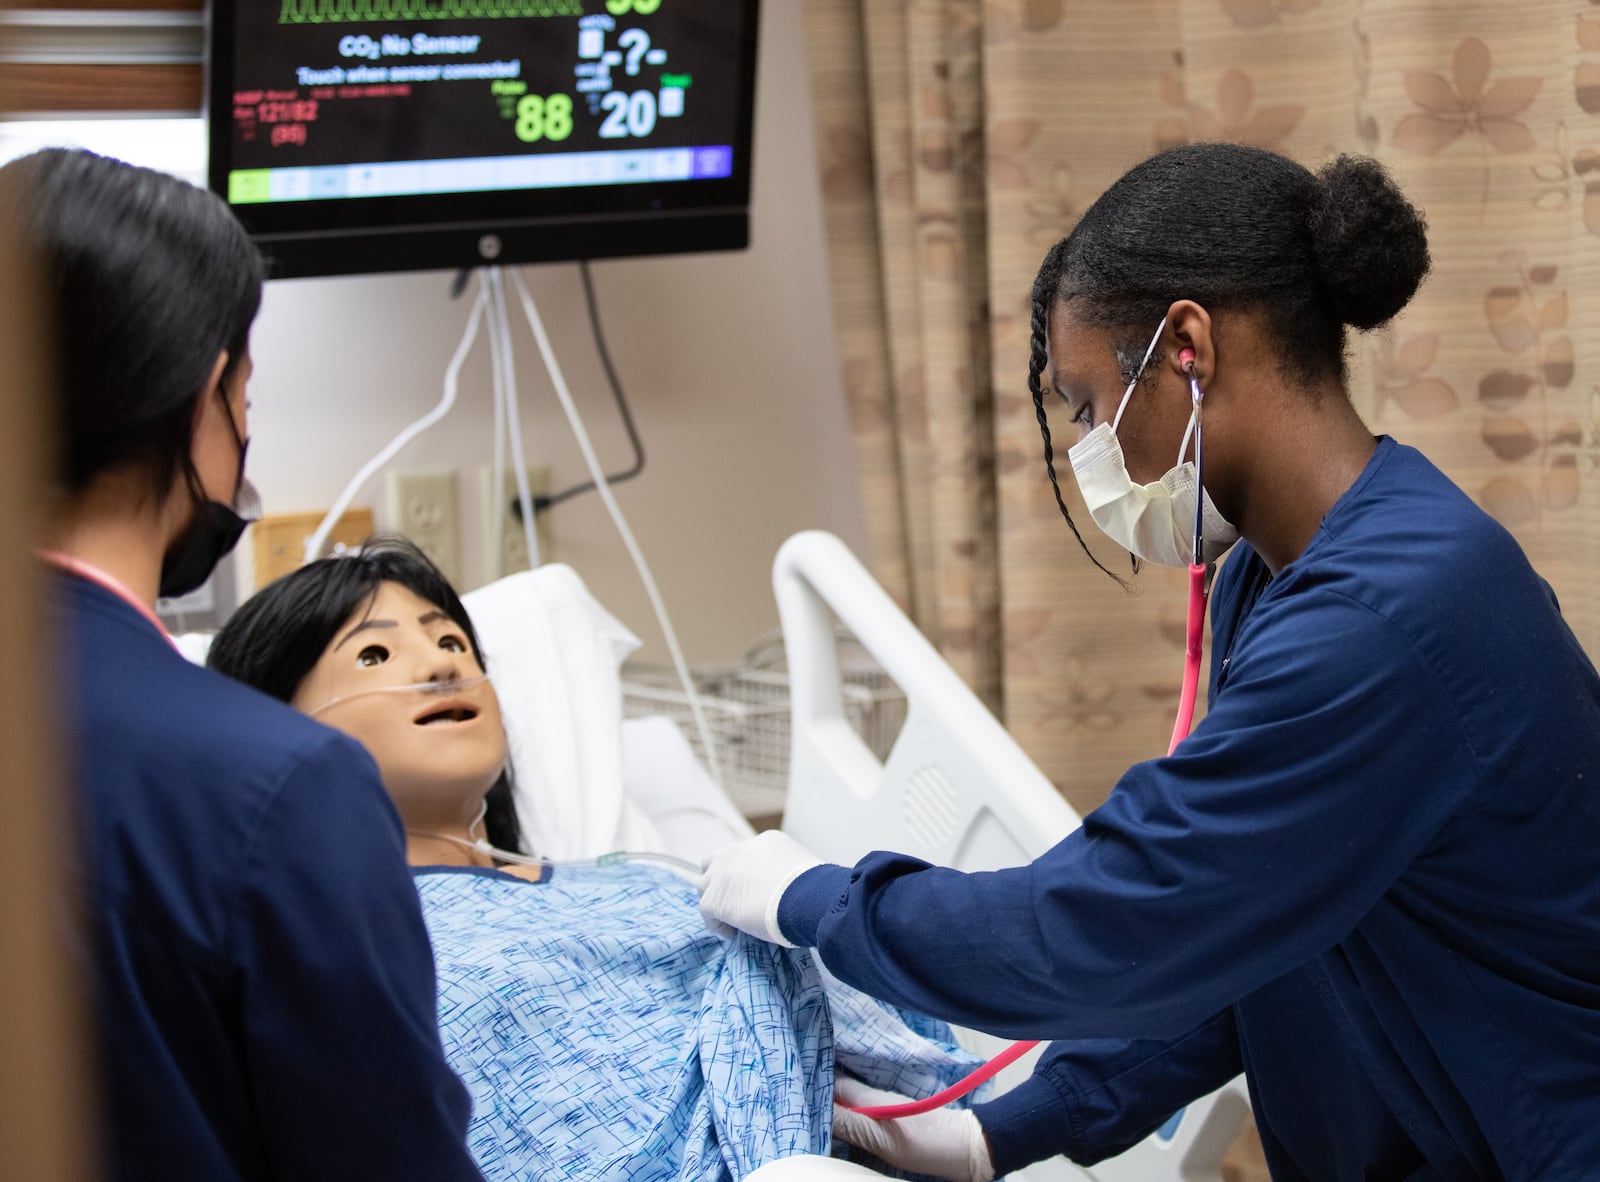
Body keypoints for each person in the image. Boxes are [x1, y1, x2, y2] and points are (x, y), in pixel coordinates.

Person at [698, 142, 1600, 1181]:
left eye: (1086, 409)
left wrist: (809, 897)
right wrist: (1017, 1124)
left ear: (1186, 347)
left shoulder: (1378, 620)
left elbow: (1099, 925)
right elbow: (1254, 918)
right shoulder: (1281, 575)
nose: (1091, 455)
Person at [206, 536, 988, 1182]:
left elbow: (897, 1052)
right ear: (276, 735)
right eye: (375, 656)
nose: (443, 664)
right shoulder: (328, 955)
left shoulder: (655, 880)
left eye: (450, 639)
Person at [9, 148, 483, 1179]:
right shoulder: (272, 784)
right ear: (207, 394)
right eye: (248, 399)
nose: (439, 669)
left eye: (451, 640)